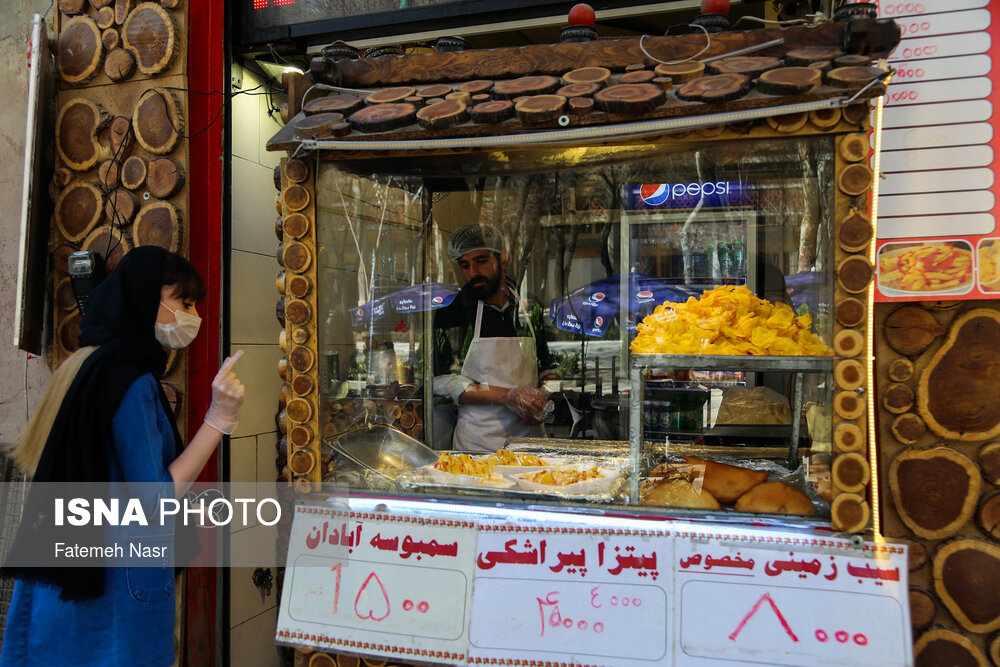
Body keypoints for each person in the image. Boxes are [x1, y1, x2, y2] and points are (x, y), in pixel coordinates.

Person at [0, 246, 245, 667]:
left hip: (62, 581)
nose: (193, 317)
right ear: (146, 296)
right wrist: (219, 419)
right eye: (183, 302)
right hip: (115, 585)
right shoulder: (131, 380)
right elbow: (156, 500)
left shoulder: (84, 365)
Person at [433, 224, 550, 452]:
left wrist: (542, 399)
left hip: (531, 441)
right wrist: (508, 396)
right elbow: (441, 379)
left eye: (481, 261)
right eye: (465, 265)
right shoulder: (454, 310)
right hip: (478, 445)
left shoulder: (526, 305)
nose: (473, 272)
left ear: (503, 260)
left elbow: (548, 368)